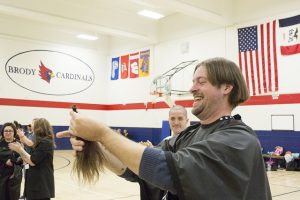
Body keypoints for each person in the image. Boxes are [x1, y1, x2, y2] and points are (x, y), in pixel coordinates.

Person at [57, 57, 272, 200]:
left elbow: (169, 168)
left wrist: (103, 132)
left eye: (201, 82)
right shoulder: (187, 135)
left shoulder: (238, 140)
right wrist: (96, 144)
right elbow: (135, 170)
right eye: (193, 81)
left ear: (226, 87)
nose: (192, 88)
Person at [9, 118, 55, 200]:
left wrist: (20, 150)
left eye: (33, 125)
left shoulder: (45, 142)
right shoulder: (39, 140)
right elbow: (29, 144)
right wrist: (21, 137)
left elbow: (32, 161)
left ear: (39, 127)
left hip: (41, 183)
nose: (31, 127)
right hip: (34, 180)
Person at [0, 122, 23, 200]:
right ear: (3, 132)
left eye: (10, 131)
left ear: (14, 132)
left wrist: (14, 161)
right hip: (1, 176)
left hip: (14, 177)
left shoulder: (19, 144)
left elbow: (23, 160)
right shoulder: (0, 143)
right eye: (6, 131)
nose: (8, 133)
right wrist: (5, 161)